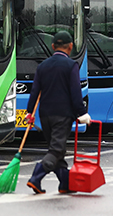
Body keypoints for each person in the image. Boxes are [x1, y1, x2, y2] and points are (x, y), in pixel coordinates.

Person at [25, 30, 91, 194]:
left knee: (56, 149)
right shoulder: (71, 65)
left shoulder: (42, 66)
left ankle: (65, 184)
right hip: (63, 115)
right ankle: (36, 177)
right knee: (56, 150)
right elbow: (76, 92)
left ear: (53, 46)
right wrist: (82, 113)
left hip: (45, 115)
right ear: (70, 46)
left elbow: (35, 92)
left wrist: (29, 113)